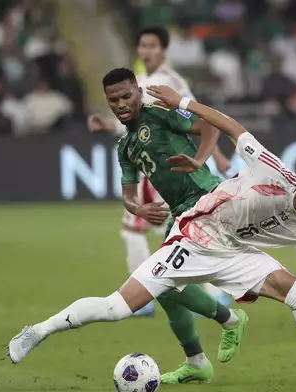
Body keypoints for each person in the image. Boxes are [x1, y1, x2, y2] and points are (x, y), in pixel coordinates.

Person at [7, 84, 296, 391]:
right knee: (117, 308)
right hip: (197, 236)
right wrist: (184, 103)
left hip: (237, 250)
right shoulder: (272, 171)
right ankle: (38, 331)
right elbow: (230, 125)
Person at [67, 68, 246, 384]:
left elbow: (208, 126)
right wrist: (139, 208)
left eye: (126, 95)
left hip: (204, 200)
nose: (121, 103)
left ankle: (230, 319)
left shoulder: (160, 116)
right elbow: (128, 195)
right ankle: (197, 362)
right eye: (114, 99)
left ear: (138, 91)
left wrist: (201, 159)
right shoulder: (126, 146)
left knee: (163, 282)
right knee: (162, 290)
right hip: (180, 213)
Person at [87, 26, 231, 315]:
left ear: (163, 51)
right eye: (142, 45)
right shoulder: (139, 80)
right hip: (150, 160)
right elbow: (137, 121)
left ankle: (156, 296)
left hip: (173, 162)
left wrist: (214, 154)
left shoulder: (171, 81)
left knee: (158, 233)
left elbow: (196, 115)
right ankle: (206, 295)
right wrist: (111, 125)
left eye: (152, 46)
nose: (146, 51)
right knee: (187, 237)